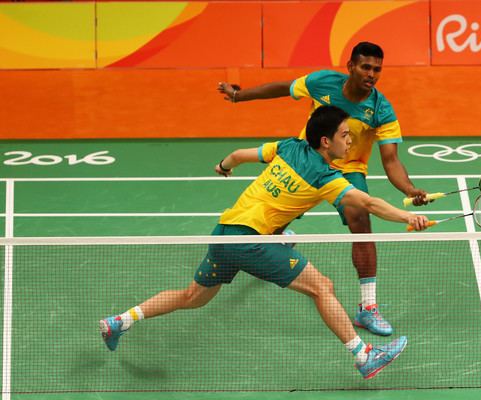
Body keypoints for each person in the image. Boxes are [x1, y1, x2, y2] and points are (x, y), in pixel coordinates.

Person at [99, 106, 429, 380]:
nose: (351, 138)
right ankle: (363, 356)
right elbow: (367, 204)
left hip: (225, 231)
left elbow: (239, 155)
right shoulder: (325, 177)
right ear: (326, 141)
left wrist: (223, 166)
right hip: (249, 241)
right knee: (321, 287)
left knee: (194, 296)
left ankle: (120, 322)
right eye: (345, 134)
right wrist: (408, 218)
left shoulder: (287, 146)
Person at [217, 42, 429, 337]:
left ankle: (367, 308)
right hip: (308, 157)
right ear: (351, 66)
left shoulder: (381, 109)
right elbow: (283, 88)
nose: (371, 74)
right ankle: (275, 240)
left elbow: (391, 160)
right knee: (273, 217)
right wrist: (239, 96)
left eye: (377, 69)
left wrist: (409, 188)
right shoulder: (322, 82)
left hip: (348, 169)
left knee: (362, 224)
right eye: (366, 67)